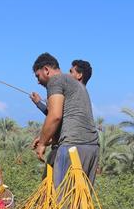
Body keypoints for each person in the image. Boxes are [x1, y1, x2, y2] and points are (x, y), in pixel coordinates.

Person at [31, 53, 99, 188]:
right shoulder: (79, 86)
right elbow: (68, 118)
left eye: (38, 76)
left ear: (46, 70)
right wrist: (45, 137)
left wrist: (42, 143)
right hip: (91, 148)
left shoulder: (56, 80)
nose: (38, 81)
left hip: (72, 147)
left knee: (61, 197)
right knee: (79, 198)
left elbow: (55, 116)